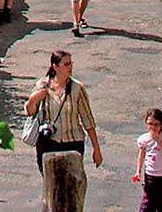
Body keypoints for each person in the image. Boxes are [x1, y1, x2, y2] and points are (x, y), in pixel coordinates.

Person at [23, 49, 101, 209]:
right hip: (48, 143)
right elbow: (30, 112)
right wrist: (33, 99)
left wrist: (96, 149)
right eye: (66, 64)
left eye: (71, 63)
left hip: (72, 143)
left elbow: (88, 120)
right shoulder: (42, 85)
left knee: (73, 187)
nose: (70, 67)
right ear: (55, 66)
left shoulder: (77, 88)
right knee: (51, 187)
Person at [132, 108, 162, 212]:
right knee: (148, 202)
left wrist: (158, 140)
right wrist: (138, 172)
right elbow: (141, 156)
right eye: (150, 124)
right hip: (150, 175)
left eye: (156, 124)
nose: (153, 127)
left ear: (161, 125)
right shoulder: (144, 139)